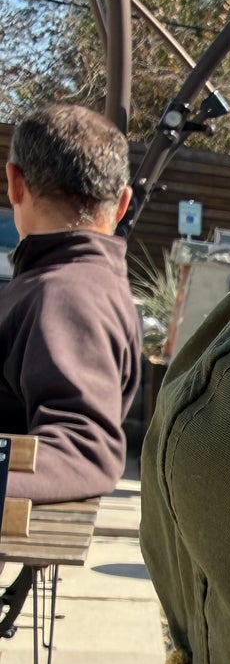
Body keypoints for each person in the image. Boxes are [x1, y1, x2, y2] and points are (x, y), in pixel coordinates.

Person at [1, 103, 140, 503]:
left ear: (15, 183)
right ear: (122, 203)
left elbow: (81, 450)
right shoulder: (72, 284)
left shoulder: (67, 295)